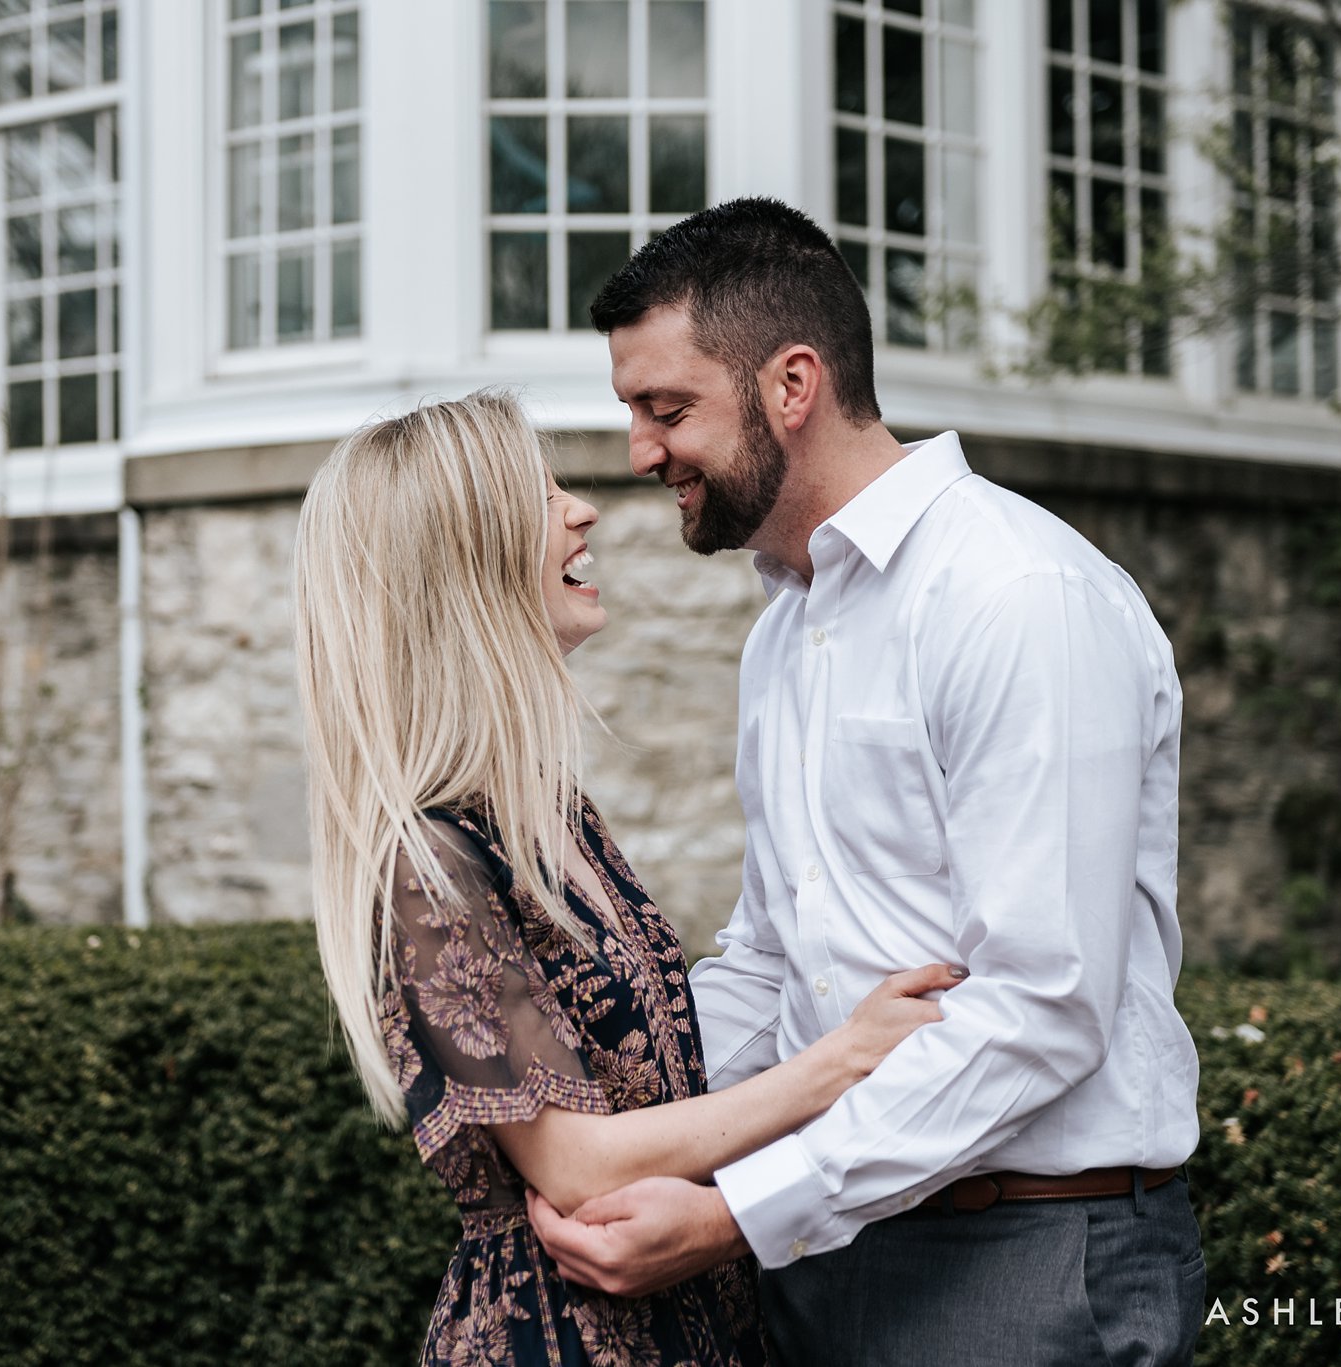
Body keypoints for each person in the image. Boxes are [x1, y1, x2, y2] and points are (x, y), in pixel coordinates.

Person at [527, 198, 1205, 1365]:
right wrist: (607, 1126)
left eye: (665, 408)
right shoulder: (785, 629)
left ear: (791, 385)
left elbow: (1039, 1003)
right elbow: (775, 953)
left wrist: (739, 1211)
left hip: (1022, 1263)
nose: (639, 453)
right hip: (822, 1248)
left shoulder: (1015, 595)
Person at [295, 390, 962, 1366]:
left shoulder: (544, 813)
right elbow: (573, 1160)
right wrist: (843, 1056)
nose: (581, 509)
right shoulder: (425, 859)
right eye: (538, 492)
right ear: (459, 561)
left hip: (686, 1313)